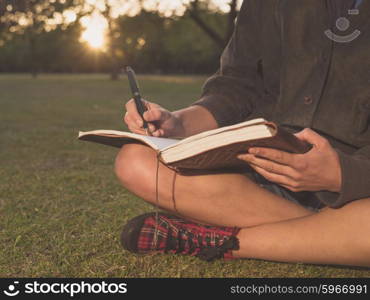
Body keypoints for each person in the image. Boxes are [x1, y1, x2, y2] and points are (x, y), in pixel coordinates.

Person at [115, 0, 370, 267]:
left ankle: (226, 242)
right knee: (137, 162)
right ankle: (335, 234)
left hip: (358, 186)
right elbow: (237, 85)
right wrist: (176, 123)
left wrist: (340, 176)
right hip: (262, 171)